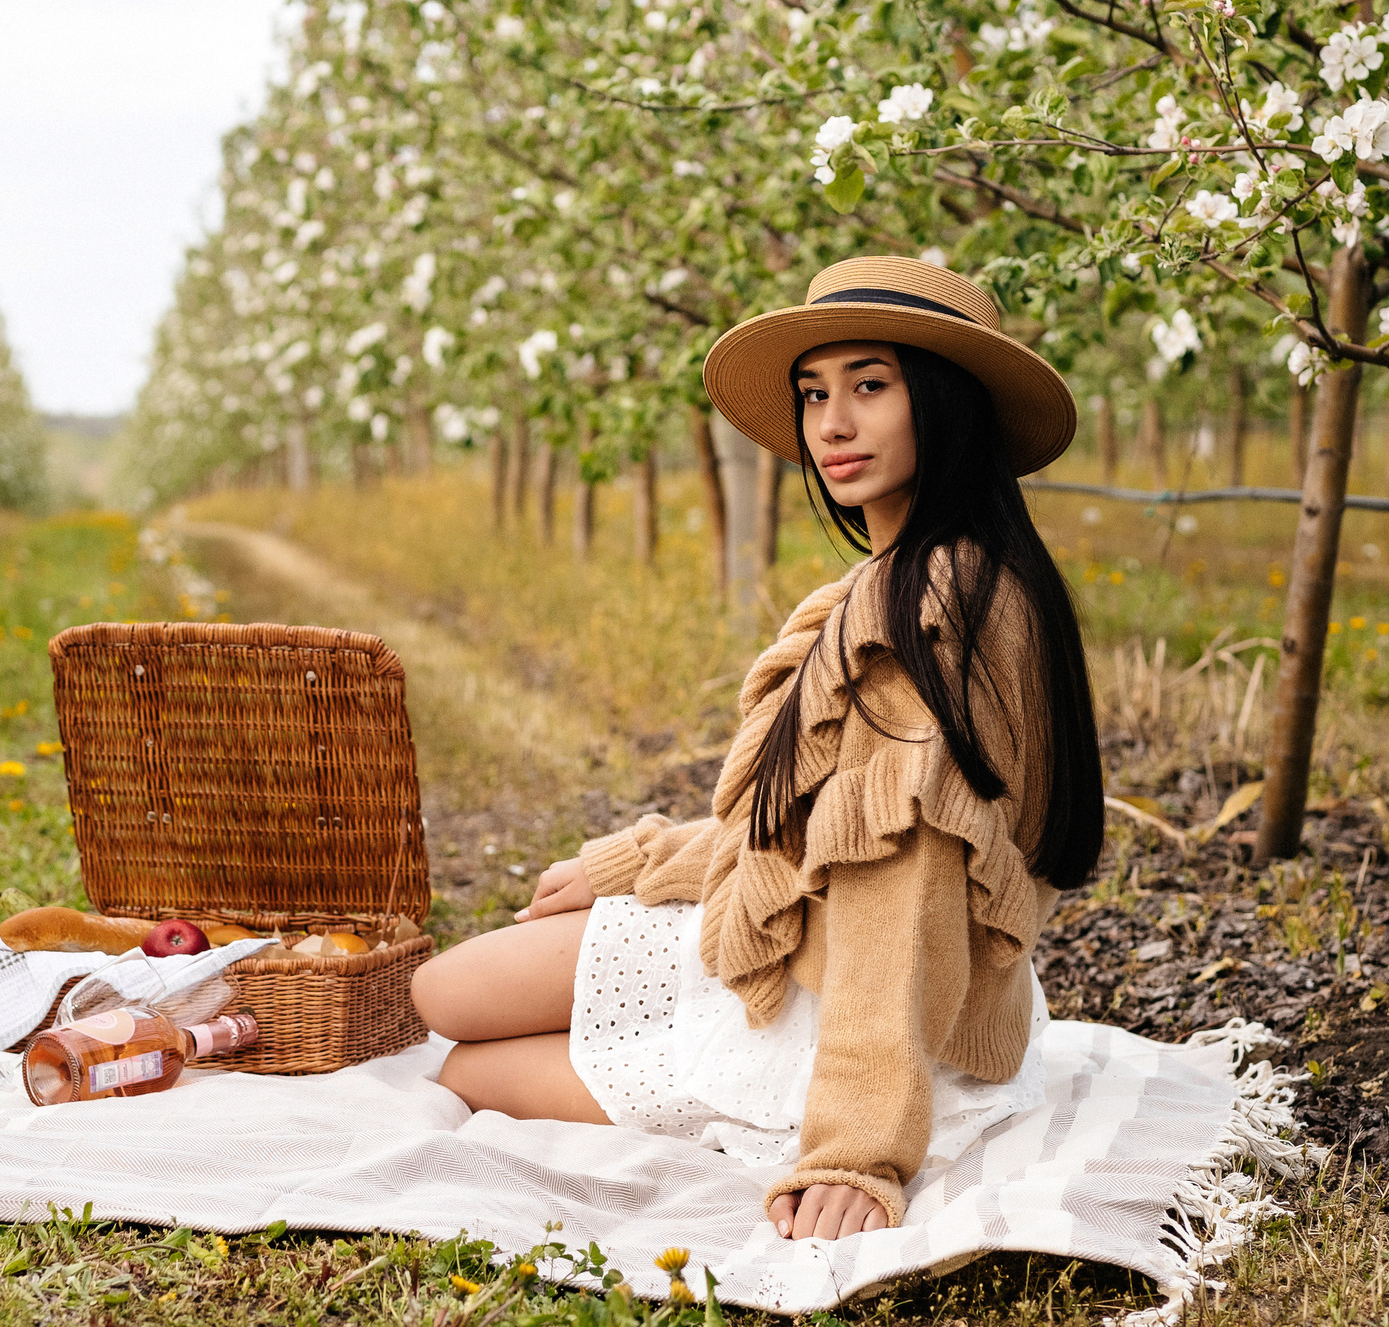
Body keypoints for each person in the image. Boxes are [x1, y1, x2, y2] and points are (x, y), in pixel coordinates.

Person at [409, 255, 1104, 1243]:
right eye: (815, 392)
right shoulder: (935, 574)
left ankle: (744, 1093)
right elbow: (813, 818)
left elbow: (894, 875)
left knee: (461, 1057)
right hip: (859, 947)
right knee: (444, 993)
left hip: (860, 1006)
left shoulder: (925, 606)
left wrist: (856, 1151)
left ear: (947, 404)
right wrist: (646, 862)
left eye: (870, 386)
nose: (831, 424)